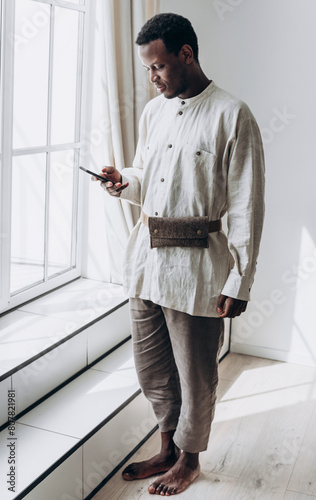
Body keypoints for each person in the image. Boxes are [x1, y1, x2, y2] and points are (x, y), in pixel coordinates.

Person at [97, 13, 265, 496]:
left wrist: (240, 281)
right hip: (146, 261)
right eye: (148, 69)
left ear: (186, 54)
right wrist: (123, 183)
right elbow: (150, 178)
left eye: (159, 67)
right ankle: (167, 446)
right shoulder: (155, 113)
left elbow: (246, 204)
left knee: (196, 372)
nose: (152, 78)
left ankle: (189, 459)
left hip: (198, 267)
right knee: (151, 366)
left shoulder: (233, 114)